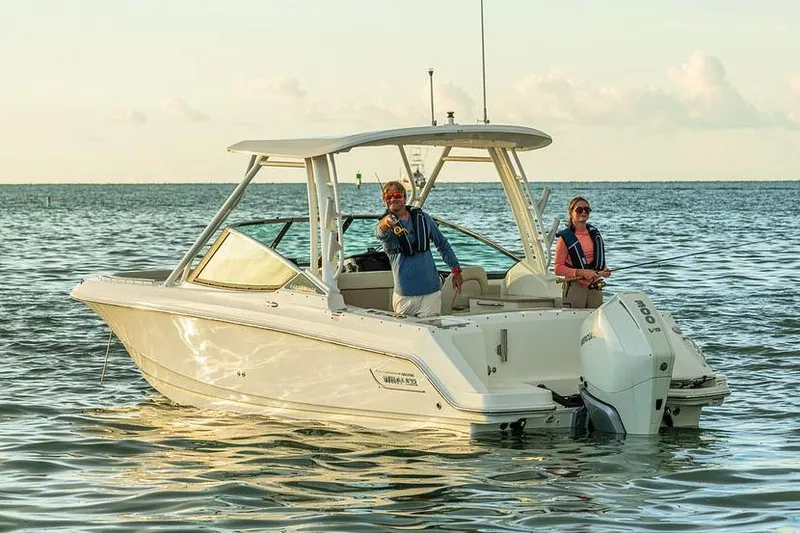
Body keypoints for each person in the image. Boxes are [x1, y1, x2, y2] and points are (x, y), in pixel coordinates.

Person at [375, 181, 463, 317]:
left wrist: (456, 270)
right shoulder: (385, 225)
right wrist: (386, 222)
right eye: (388, 197)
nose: (393, 199)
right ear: (383, 201)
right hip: (404, 295)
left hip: (431, 292)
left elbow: (442, 244)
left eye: (397, 195)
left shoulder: (423, 218)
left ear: (404, 197)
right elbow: (380, 233)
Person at [554, 196, 611, 309]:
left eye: (587, 209)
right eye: (579, 210)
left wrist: (604, 269)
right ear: (571, 213)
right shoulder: (565, 238)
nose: (583, 212)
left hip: (595, 286)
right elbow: (558, 268)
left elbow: (595, 259)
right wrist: (581, 272)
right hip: (575, 287)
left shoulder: (594, 234)